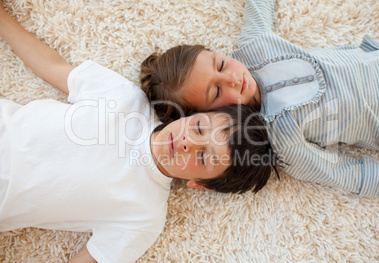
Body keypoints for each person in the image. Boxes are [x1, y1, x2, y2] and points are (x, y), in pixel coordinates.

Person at [0, 3, 274, 262]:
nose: (188, 142)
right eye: (200, 127)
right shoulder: (124, 97)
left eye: (204, 157)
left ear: (199, 184)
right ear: (194, 114)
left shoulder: (144, 218)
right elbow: (52, 66)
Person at [140, 0, 379, 198]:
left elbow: (258, 6)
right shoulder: (278, 138)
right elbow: (343, 173)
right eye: (217, 92)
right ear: (209, 115)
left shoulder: (254, 46)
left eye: (220, 64)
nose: (231, 78)